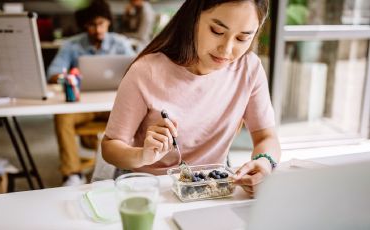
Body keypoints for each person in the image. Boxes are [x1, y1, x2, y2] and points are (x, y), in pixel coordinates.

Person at [101, 0, 281, 197]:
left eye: (242, 38)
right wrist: (142, 155)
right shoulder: (145, 71)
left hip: (213, 187)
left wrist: (264, 162)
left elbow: (266, 137)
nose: (227, 49)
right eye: (217, 31)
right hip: (149, 189)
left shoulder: (249, 69)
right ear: (193, 18)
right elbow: (110, 147)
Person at [47, 0, 135, 186]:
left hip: (114, 107)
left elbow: (139, 70)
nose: (98, 29)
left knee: (136, 114)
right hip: (83, 106)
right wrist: (67, 77)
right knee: (62, 117)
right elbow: (52, 74)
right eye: (92, 25)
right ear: (84, 25)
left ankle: (125, 168)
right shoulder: (71, 45)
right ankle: (72, 174)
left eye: (101, 23)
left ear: (109, 22)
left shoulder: (120, 44)